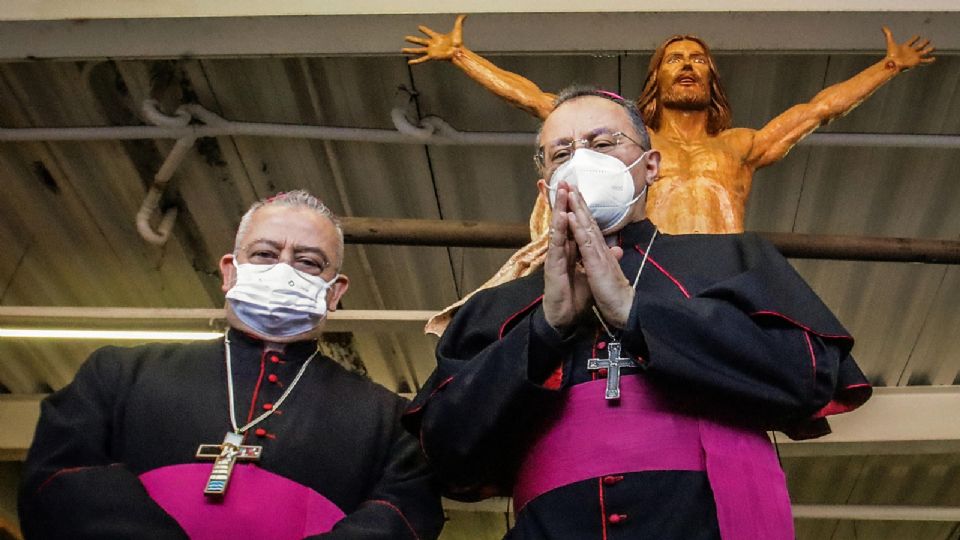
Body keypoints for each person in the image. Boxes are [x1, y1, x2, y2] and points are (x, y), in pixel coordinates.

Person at [403, 88, 871, 539]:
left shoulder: (731, 259)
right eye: (561, 153)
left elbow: (808, 377)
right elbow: (446, 452)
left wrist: (636, 314)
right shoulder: (494, 305)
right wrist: (545, 330)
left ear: (651, 166)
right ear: (545, 189)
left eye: (603, 143)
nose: (582, 160)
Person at [405, 17, 934, 335]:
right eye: (674, 58)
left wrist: (889, 66)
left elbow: (817, 110)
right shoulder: (628, 143)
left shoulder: (740, 146)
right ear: (656, 77)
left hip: (716, 276)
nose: (686, 64)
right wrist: (462, 57)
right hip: (640, 269)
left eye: (698, 60)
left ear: (711, 77)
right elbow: (541, 102)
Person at [19, 190, 444, 539]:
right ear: (229, 271)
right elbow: (58, 480)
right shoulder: (117, 375)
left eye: (308, 262)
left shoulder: (388, 420)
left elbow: (404, 516)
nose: (284, 270)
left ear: (334, 293)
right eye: (264, 254)